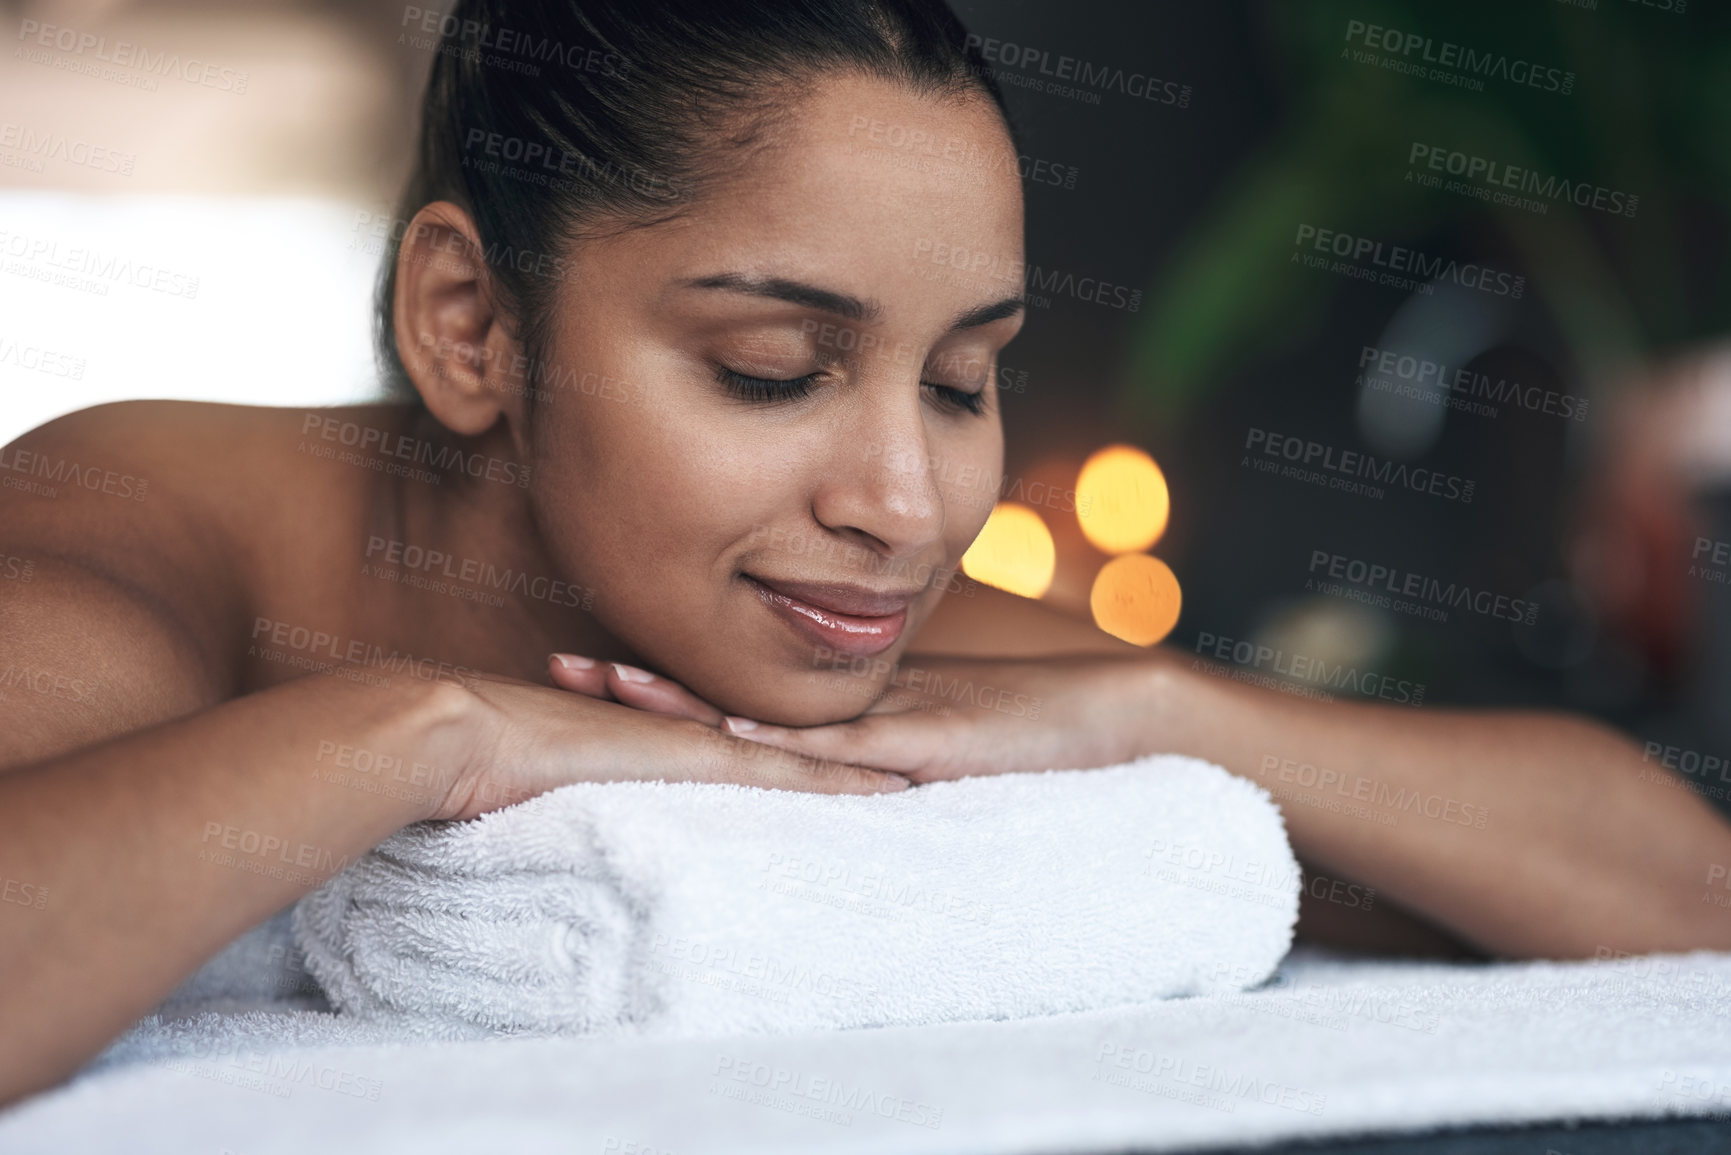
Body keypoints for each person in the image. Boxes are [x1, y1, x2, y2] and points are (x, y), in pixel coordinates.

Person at [2, 0, 1726, 1110]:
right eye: (774, 370)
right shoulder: (143, 533)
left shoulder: (857, 624)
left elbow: (1686, 904)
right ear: (470, 323)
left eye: (967, 378)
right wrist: (436, 727)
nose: (906, 502)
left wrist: (1154, 708)